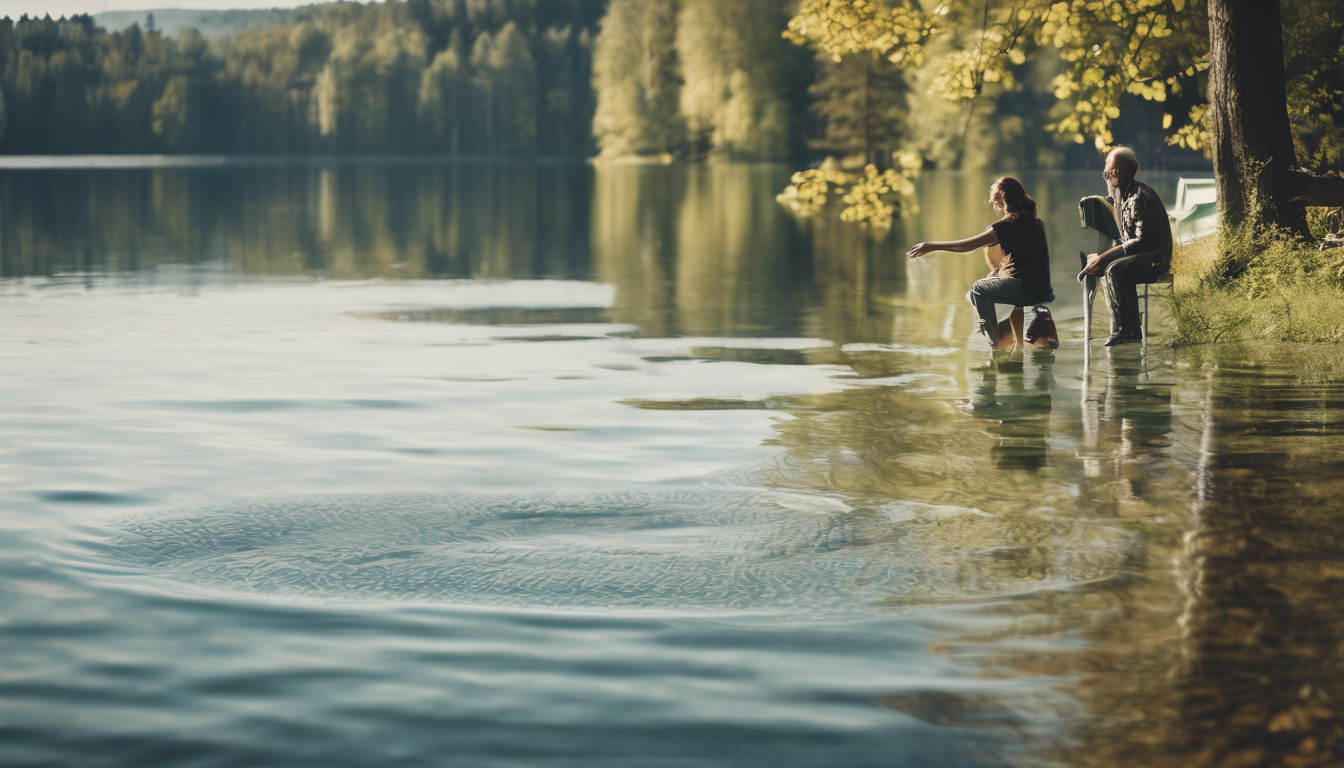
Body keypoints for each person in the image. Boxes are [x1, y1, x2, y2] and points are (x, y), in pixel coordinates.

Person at [907, 176, 1053, 351]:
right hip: (1042, 290)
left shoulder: (1007, 225)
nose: (994, 205)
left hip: (1025, 289)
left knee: (978, 289)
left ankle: (996, 345)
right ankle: (1019, 344)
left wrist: (931, 246)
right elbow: (1026, 263)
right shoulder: (1034, 222)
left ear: (1002, 198)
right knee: (1008, 293)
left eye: (995, 200)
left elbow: (968, 246)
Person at [1080, 146, 1173, 346]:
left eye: (1107, 170)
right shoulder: (1125, 194)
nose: (1105, 175)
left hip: (1156, 260)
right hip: (1143, 255)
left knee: (1116, 270)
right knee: (1109, 265)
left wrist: (1104, 258)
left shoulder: (1138, 197)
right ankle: (1126, 327)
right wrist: (1099, 258)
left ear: (1119, 171)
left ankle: (1128, 332)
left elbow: (1141, 243)